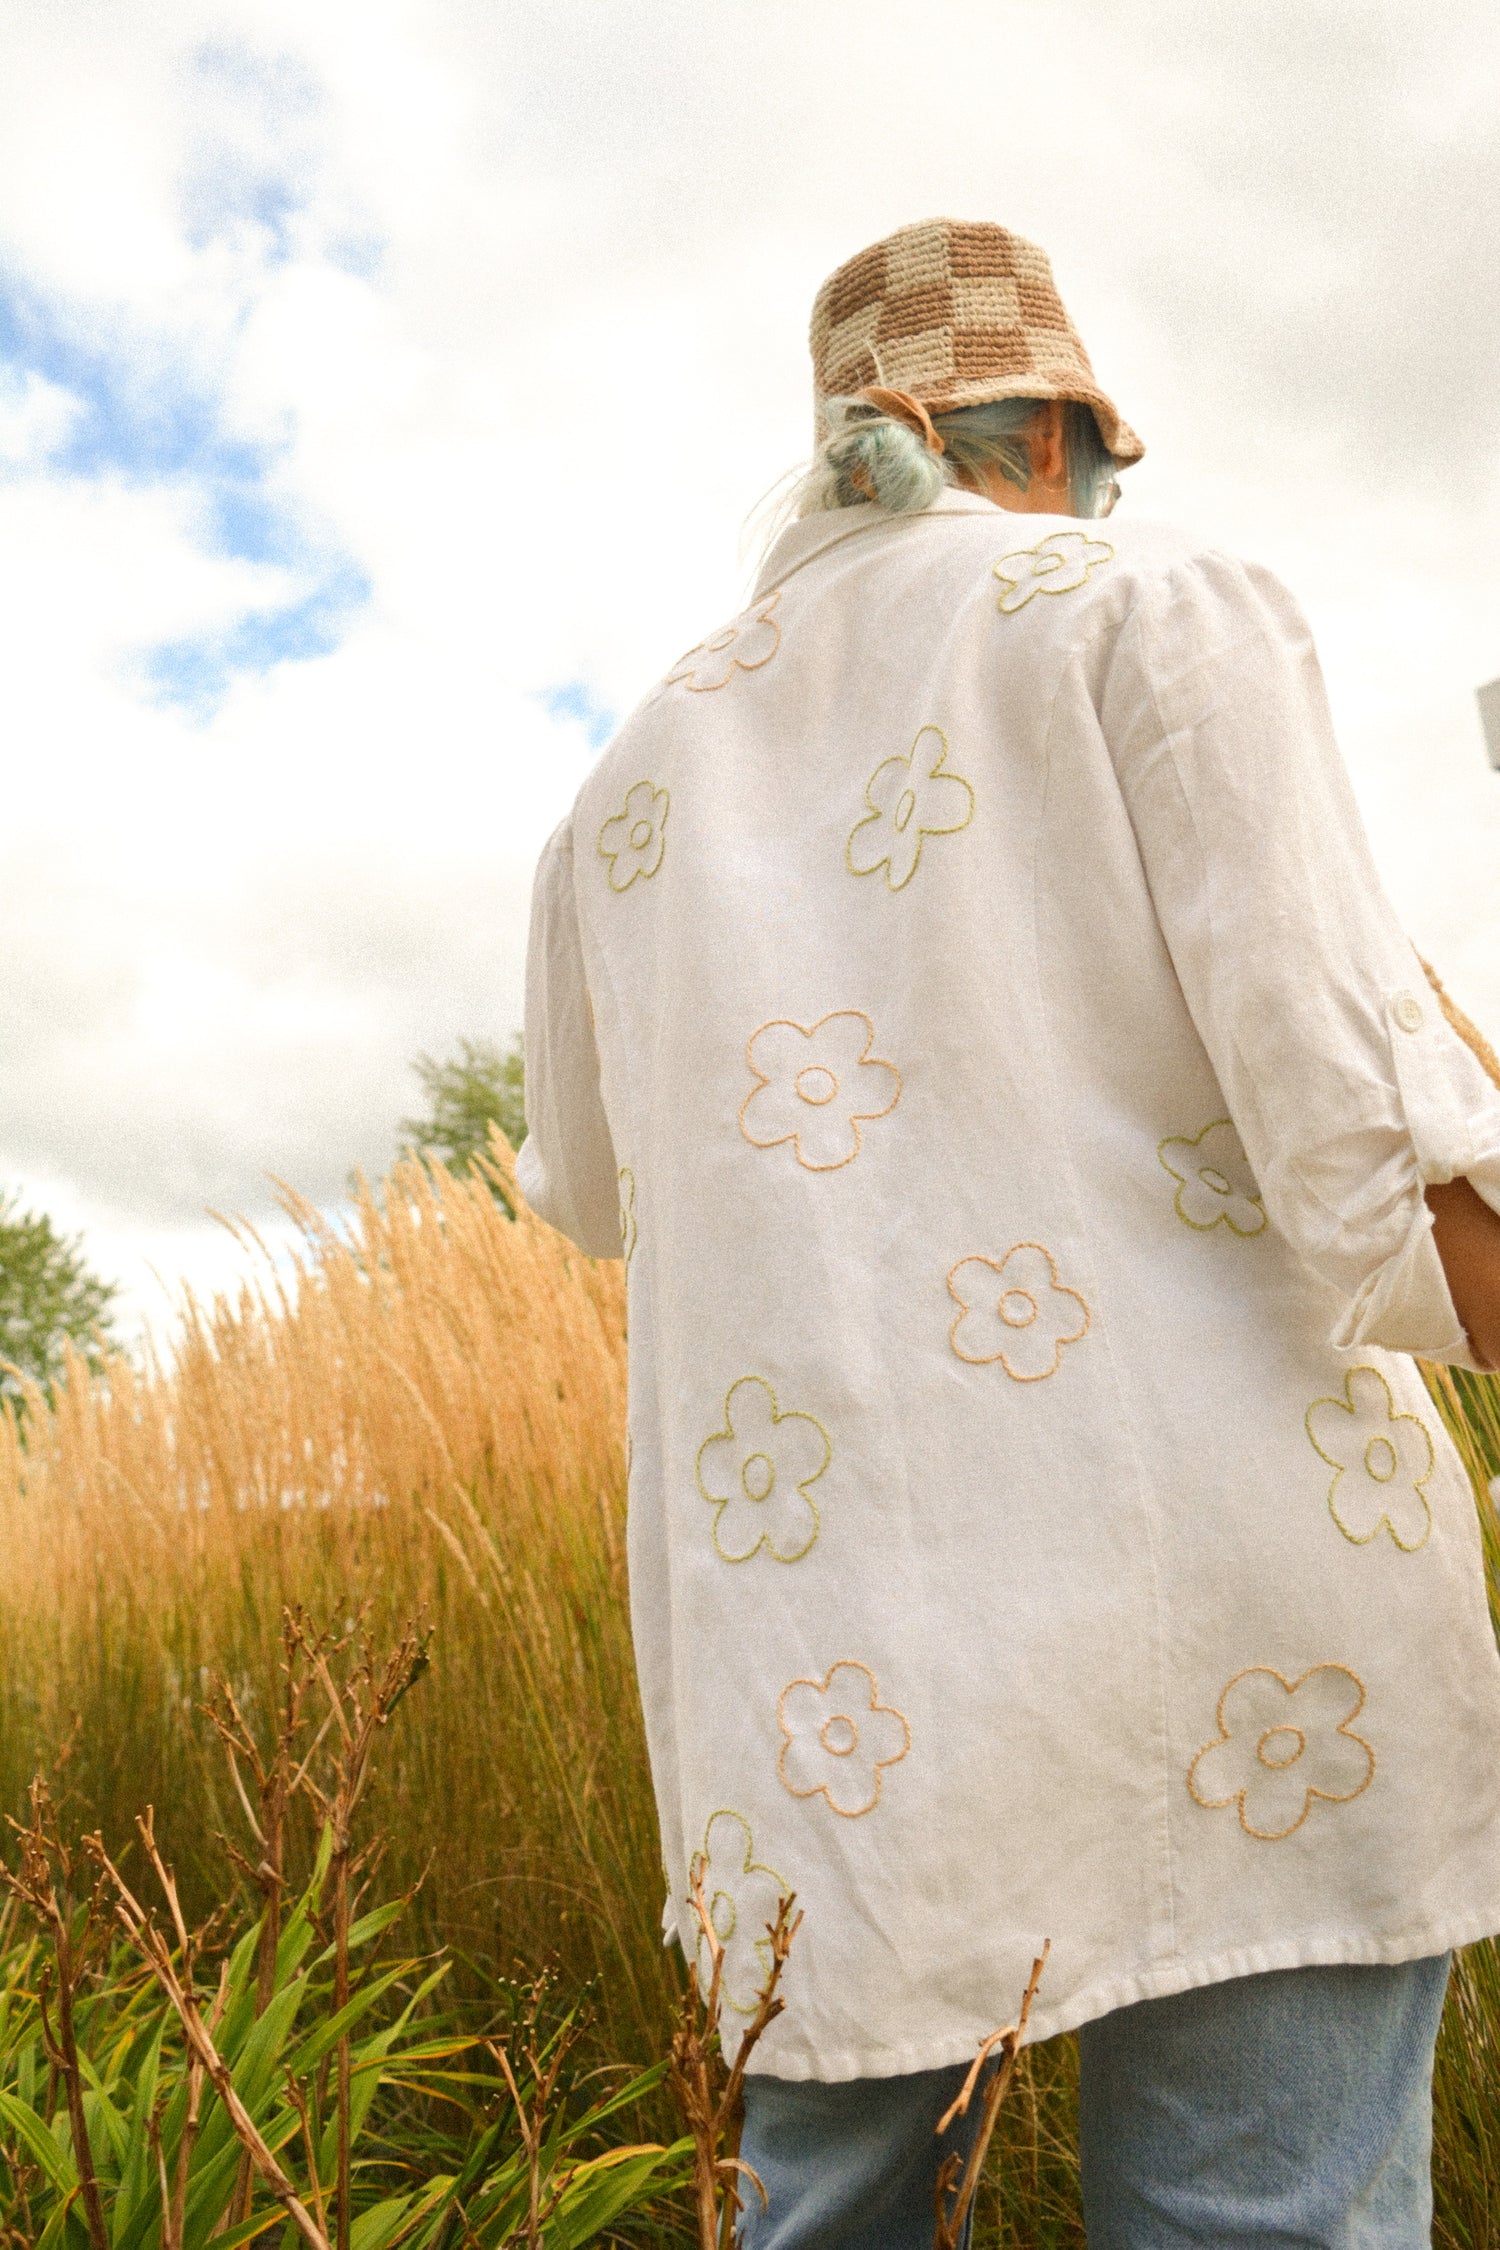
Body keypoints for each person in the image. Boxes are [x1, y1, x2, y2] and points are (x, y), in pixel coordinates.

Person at [517, 217, 1500, 2248]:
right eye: (1102, 462)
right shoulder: (1148, 619)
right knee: (1263, 2225)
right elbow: (1372, 1169)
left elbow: (596, 1208)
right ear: (1049, 435)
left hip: (835, 1688)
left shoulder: (622, 798)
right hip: (1236, 1632)